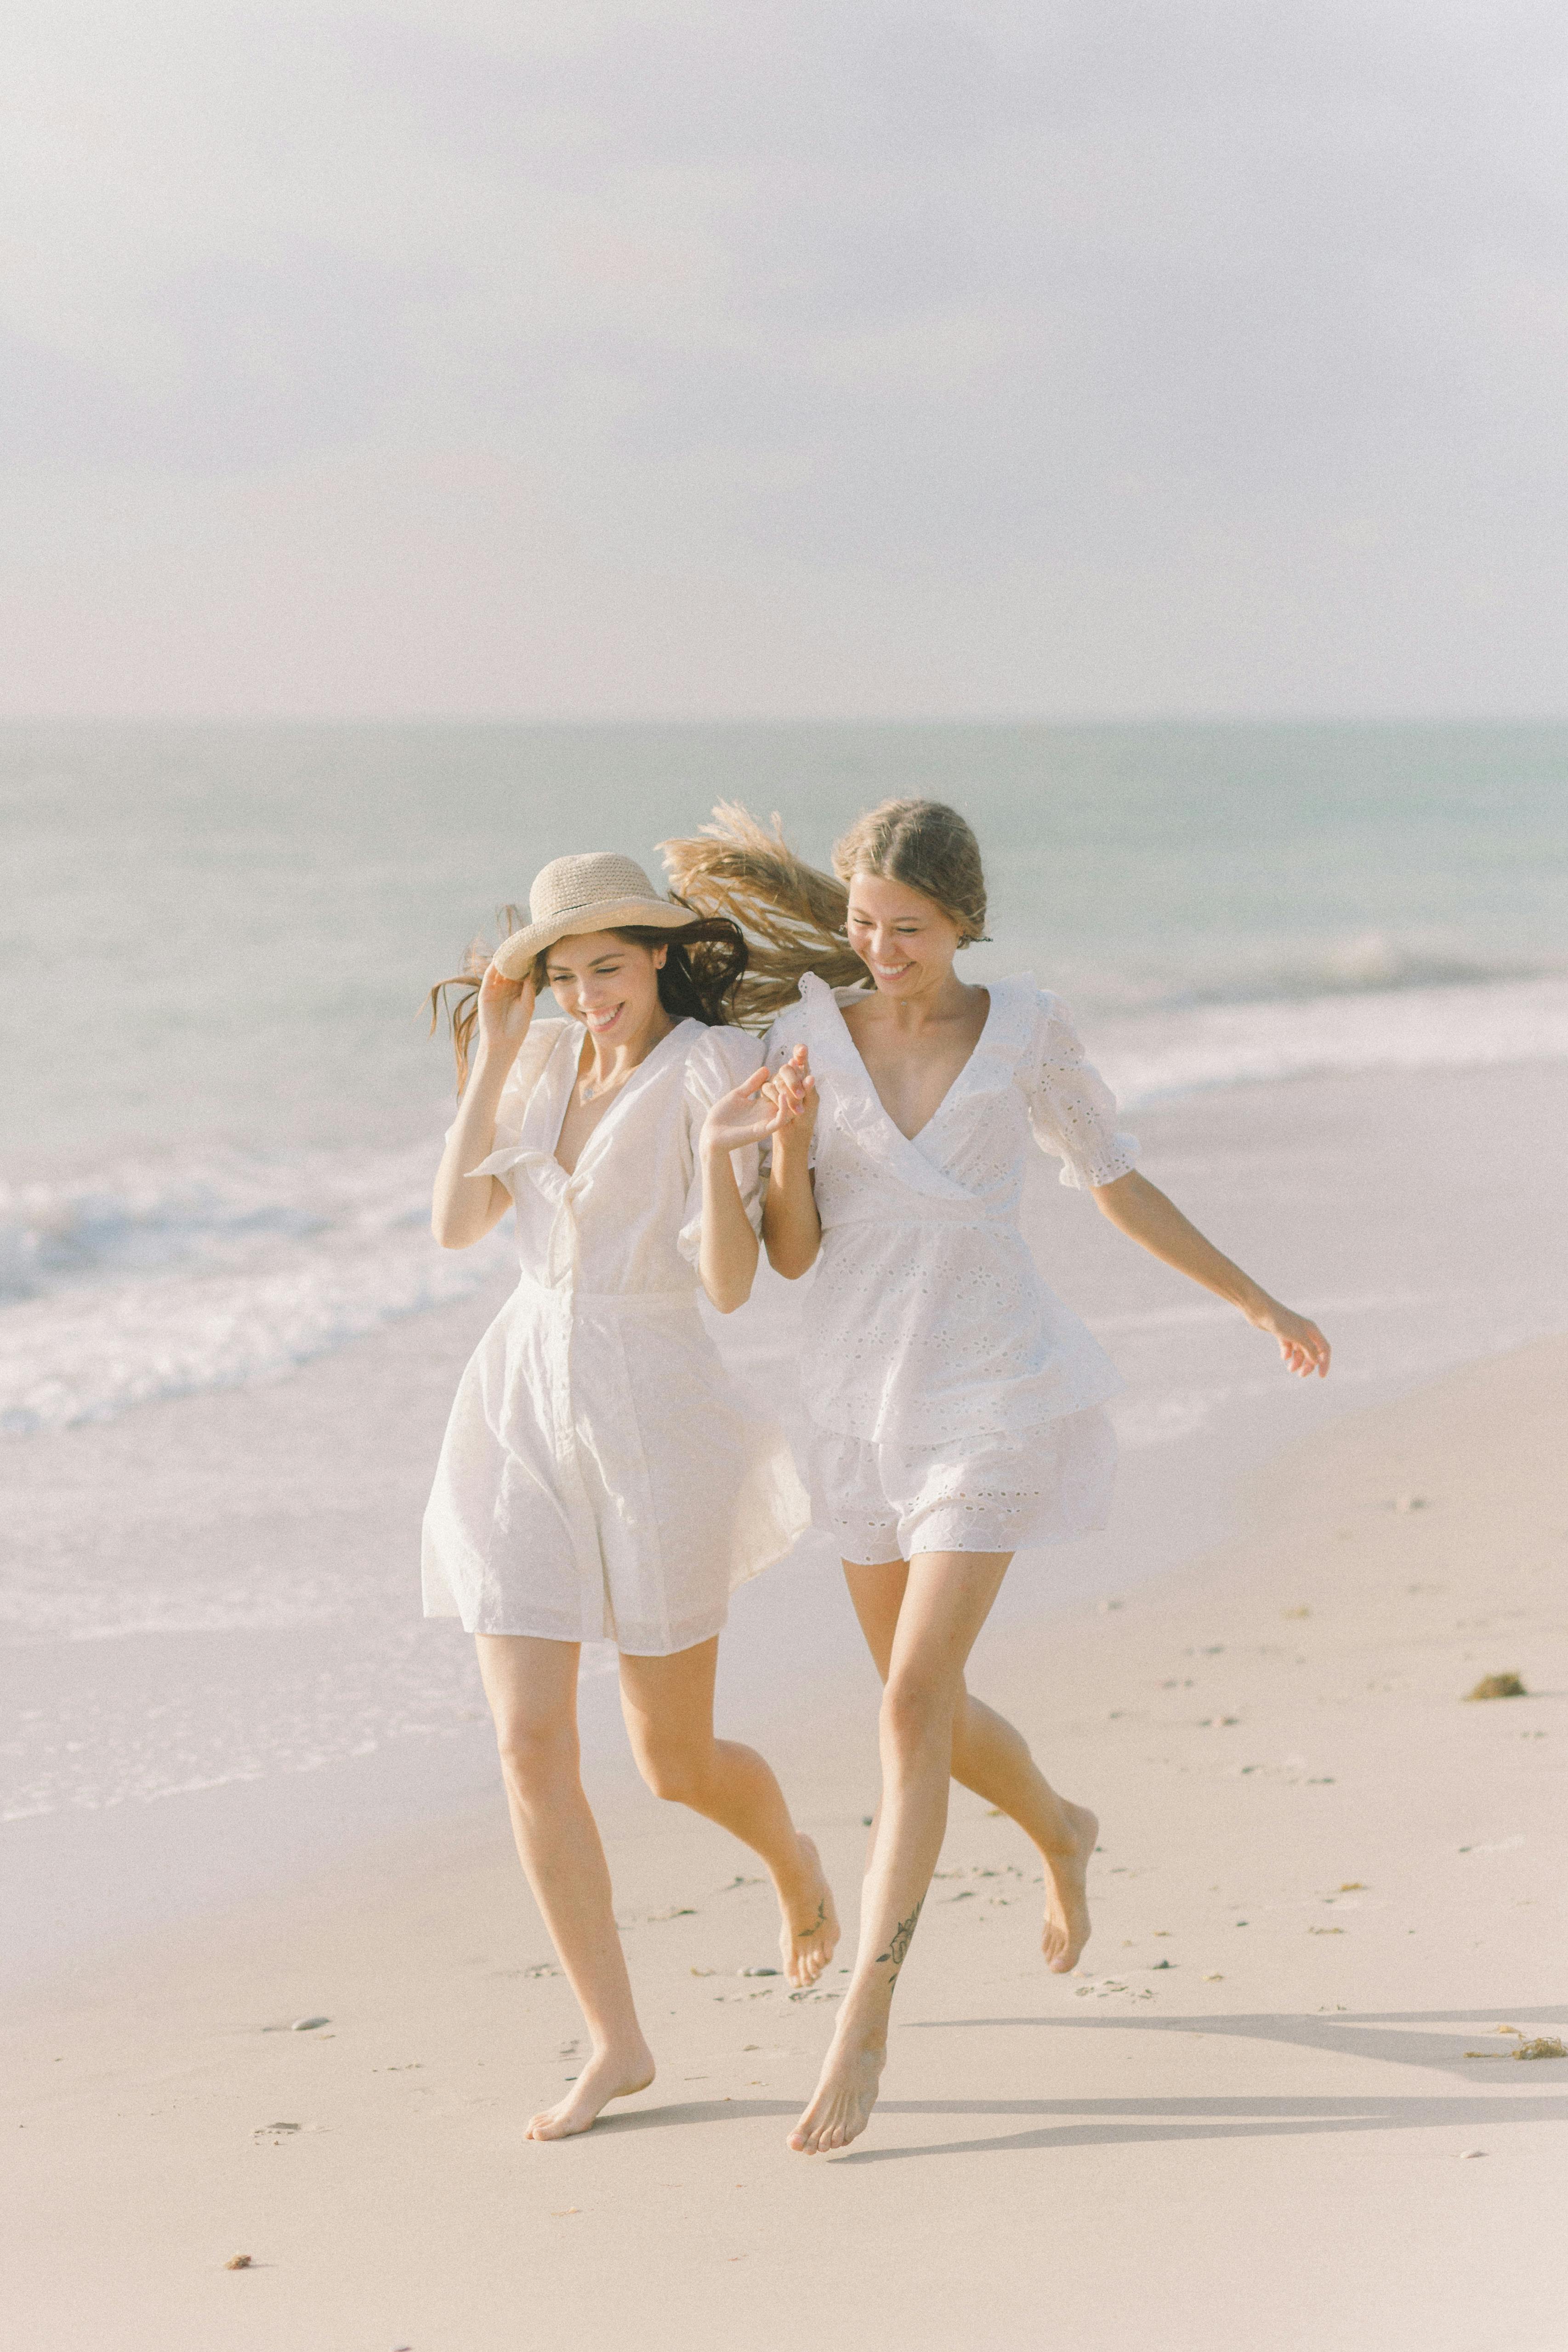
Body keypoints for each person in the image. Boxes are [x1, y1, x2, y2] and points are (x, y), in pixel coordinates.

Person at [664, 801, 1330, 2154]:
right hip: (859, 1403)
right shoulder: (804, 1034)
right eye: (860, 924)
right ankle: (1061, 1825)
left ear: (965, 921)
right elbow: (790, 1256)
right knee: (932, 1711)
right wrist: (781, 1147)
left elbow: (1116, 1183)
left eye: (906, 929)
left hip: (991, 1389)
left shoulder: (1022, 1030)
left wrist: (1255, 1300)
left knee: (909, 1701)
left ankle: (866, 2019)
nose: (879, 949)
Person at [423, 851, 838, 2141]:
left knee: (671, 1761)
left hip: (653, 1405)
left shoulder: (715, 1070)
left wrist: (726, 1157)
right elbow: (454, 1227)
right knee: (527, 1741)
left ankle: (795, 1862)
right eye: (562, 973)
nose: (586, 993)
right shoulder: (539, 1065)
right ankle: (615, 2043)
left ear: (659, 954)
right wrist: (494, 1049)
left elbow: (731, 1287)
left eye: (606, 966)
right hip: (518, 1398)